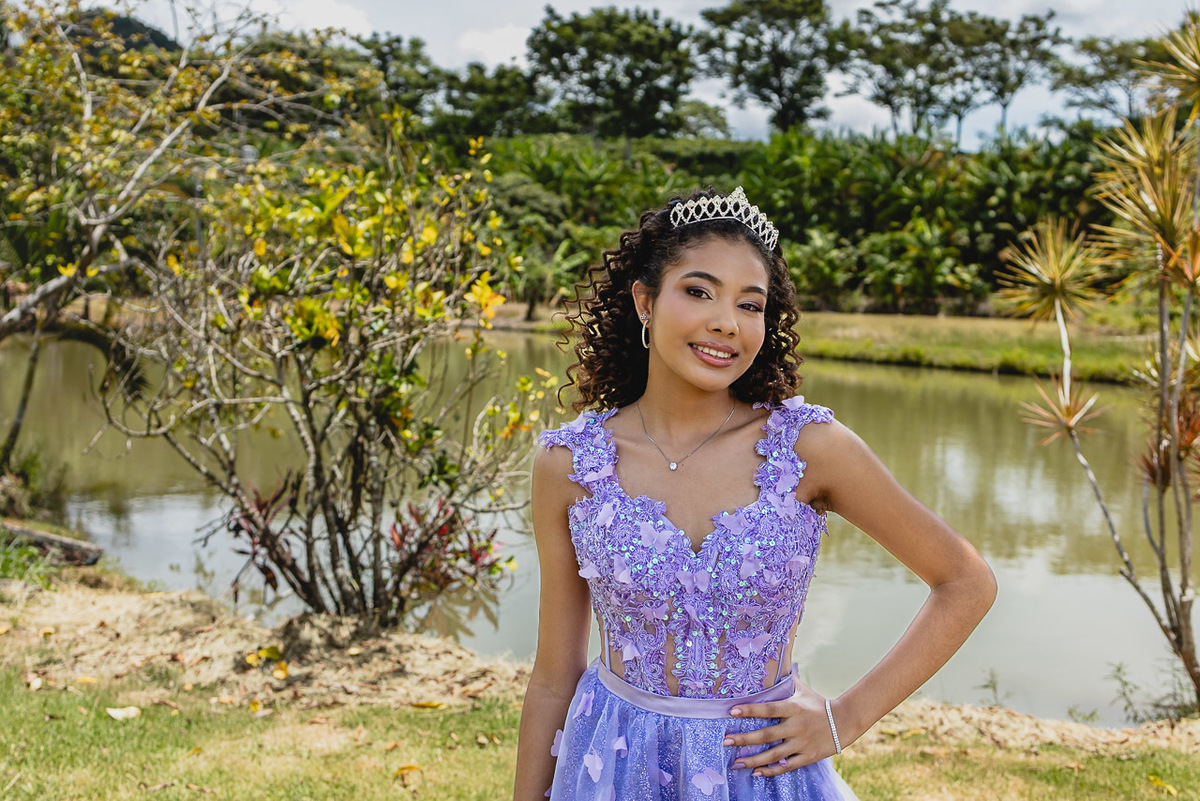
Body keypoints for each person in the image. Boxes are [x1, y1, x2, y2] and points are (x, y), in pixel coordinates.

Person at [512, 187, 997, 800]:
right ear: (644, 300)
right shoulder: (570, 463)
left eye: (750, 304)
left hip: (760, 777)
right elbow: (555, 678)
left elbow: (965, 581)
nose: (726, 322)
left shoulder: (810, 448)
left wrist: (842, 719)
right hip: (611, 772)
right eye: (698, 291)